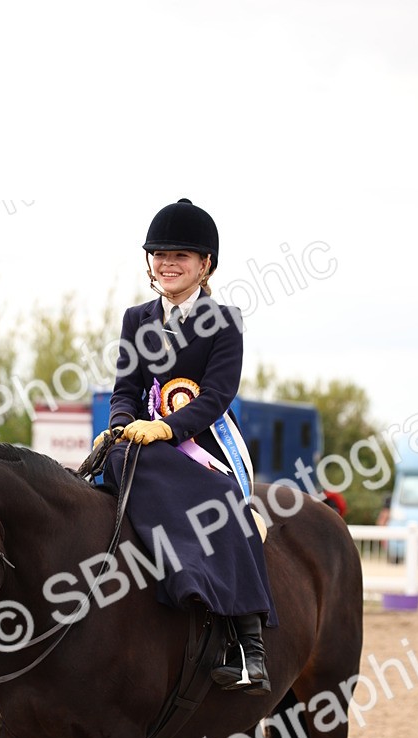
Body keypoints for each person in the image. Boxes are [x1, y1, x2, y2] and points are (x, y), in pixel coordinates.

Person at [95, 198, 276, 694]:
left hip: (206, 440)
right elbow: (125, 389)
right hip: (141, 441)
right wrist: (119, 425)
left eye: (180, 256)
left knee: (221, 505)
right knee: (107, 471)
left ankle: (247, 645)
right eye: (159, 255)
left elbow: (217, 395)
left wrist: (169, 430)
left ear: (204, 265)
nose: (167, 264)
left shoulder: (226, 320)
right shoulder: (137, 318)